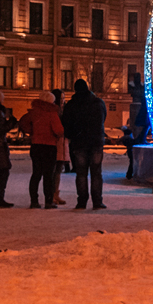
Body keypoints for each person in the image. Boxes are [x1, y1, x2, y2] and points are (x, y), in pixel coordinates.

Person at [63, 79, 108, 210]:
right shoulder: (98, 103)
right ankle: (97, 201)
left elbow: (66, 124)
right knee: (96, 172)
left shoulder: (71, 105)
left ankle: (82, 201)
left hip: (79, 142)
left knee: (81, 173)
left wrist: (72, 136)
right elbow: (102, 118)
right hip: (96, 141)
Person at [20, 91, 65, 209]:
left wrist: (32, 132)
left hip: (36, 146)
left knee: (36, 174)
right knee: (48, 175)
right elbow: (59, 130)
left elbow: (23, 123)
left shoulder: (33, 112)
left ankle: (34, 200)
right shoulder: (52, 114)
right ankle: (48, 201)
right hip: (49, 146)